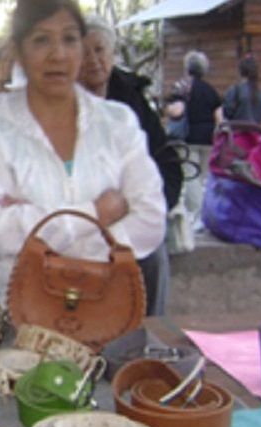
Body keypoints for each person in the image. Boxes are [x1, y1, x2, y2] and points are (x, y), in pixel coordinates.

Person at [0, 0, 166, 308]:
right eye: (41, 39)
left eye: (69, 38)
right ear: (19, 51)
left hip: (103, 306)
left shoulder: (118, 123)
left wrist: (52, 243)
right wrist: (96, 213)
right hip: (17, 311)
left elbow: (151, 219)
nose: (58, 54)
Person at [78, 13, 175, 316]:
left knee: (154, 256)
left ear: (113, 54)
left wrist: (145, 208)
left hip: (129, 211)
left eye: (100, 50)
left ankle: (151, 331)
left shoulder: (133, 101)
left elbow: (167, 165)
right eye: (84, 52)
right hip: (82, 215)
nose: (93, 60)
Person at [176, 51, 222, 145]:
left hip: (188, 136)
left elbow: (176, 111)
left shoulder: (182, 87)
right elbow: (219, 114)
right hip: (208, 137)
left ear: (187, 68)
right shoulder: (210, 90)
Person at [222, 55, 261, 124]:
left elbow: (227, 112)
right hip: (256, 132)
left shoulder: (235, 90)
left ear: (240, 71)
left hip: (236, 132)